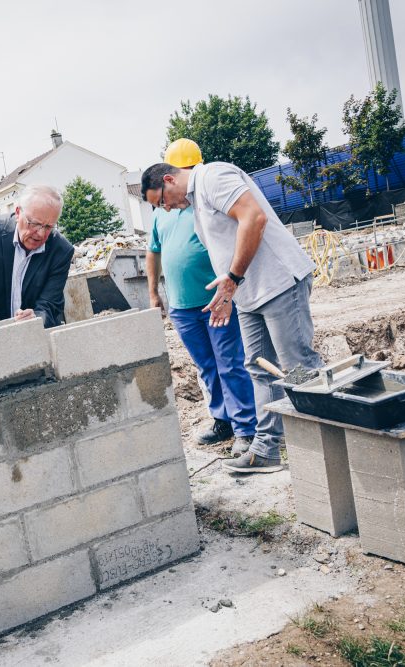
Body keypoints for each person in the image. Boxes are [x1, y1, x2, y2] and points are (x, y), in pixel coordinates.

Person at [141, 156, 323, 475]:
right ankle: (266, 448)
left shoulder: (212, 177)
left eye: (162, 202)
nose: (166, 209)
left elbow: (253, 218)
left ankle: (329, 439)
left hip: (277, 282)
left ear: (168, 180)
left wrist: (233, 279)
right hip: (249, 293)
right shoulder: (196, 201)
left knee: (298, 367)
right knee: (258, 368)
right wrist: (229, 290)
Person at [147, 139, 257, 453]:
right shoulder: (161, 211)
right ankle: (223, 421)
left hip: (216, 302)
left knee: (230, 363)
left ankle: (246, 428)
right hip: (181, 305)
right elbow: (152, 252)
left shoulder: (205, 196)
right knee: (207, 366)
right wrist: (154, 293)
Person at [0, 184, 74, 330]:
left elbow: (51, 304)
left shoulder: (61, 250)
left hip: (32, 335)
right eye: (34, 224)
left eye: (48, 227)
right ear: (18, 212)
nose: (40, 233)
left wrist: (37, 318)